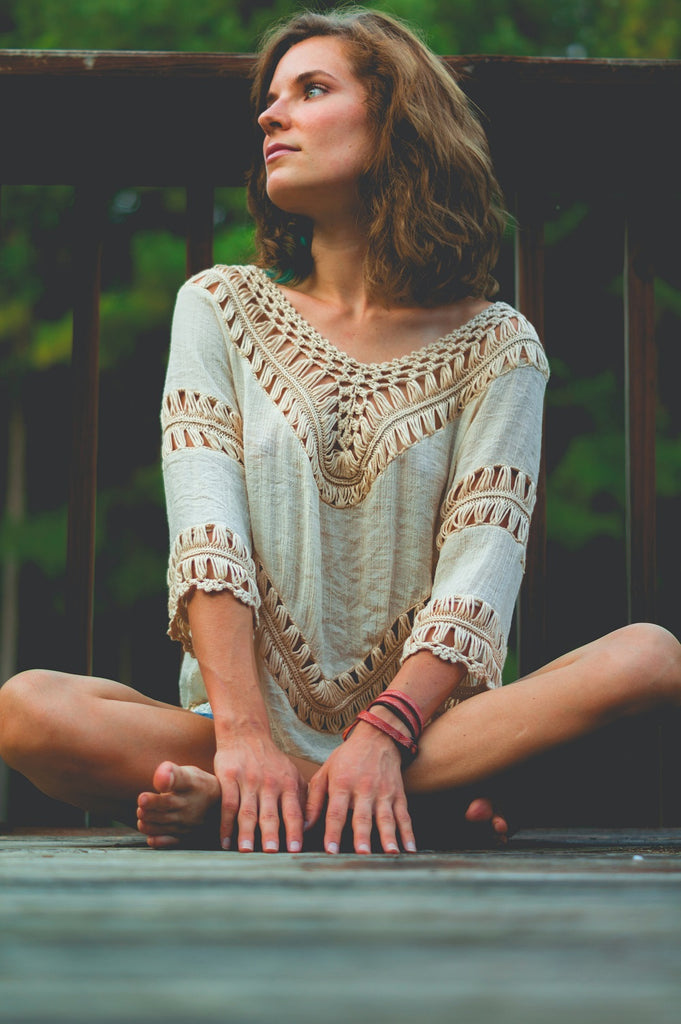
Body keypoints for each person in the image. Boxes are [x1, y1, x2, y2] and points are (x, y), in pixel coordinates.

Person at [0, 8, 679, 855]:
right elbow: (208, 536)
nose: (269, 114)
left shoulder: (497, 346)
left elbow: (481, 568)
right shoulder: (218, 306)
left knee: (650, 656)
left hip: (425, 732)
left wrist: (381, 735)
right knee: (28, 711)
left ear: (396, 119)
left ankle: (263, 808)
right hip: (236, 730)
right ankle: (355, 802)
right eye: (270, 96)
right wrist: (245, 737)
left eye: (311, 89)